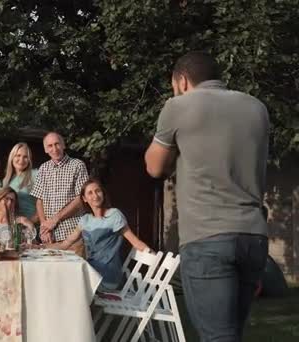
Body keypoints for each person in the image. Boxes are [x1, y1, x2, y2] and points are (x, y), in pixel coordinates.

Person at [145, 51, 269, 342]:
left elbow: (154, 167)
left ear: (182, 80)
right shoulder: (257, 107)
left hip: (207, 238)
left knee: (217, 337)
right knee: (231, 333)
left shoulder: (178, 106)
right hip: (253, 236)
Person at [45, 179, 149, 290]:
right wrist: (39, 247)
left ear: (103, 193)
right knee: (59, 277)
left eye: (98, 191)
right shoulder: (85, 220)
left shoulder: (114, 215)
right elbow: (65, 244)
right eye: (90, 193)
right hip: (91, 271)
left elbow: (135, 242)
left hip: (107, 275)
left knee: (66, 281)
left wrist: (156, 260)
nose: (95, 195)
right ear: (84, 199)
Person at [30, 132, 89, 243]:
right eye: (50, 146)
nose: (54, 149)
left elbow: (81, 199)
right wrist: (44, 227)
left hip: (72, 233)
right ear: (45, 150)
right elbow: (39, 200)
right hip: (49, 236)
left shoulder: (77, 165)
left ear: (63, 145)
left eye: (57, 144)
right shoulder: (43, 168)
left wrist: (55, 219)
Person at [2, 142, 38, 223]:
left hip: (32, 224)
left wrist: (30, 222)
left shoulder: (35, 175)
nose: (21, 160)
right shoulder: (6, 180)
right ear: (12, 157)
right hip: (13, 226)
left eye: (25, 157)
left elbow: (43, 204)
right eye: (18, 155)